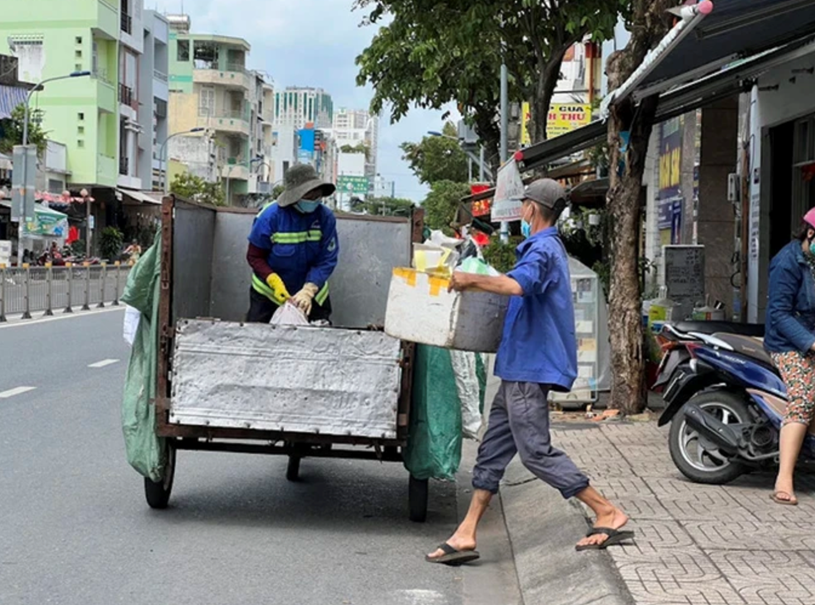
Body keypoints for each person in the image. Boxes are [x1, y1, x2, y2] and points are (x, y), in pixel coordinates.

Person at [426, 179, 632, 565]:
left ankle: (606, 511)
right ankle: (467, 532)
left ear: (532, 209)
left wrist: (470, 279)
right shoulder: (542, 248)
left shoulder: (542, 249)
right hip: (519, 367)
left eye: (523, 205)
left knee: (535, 451)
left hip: (530, 368)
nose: (521, 211)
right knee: (491, 454)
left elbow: (519, 286)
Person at [764, 208, 815, 506]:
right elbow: (779, 314)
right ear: (810, 233)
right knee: (805, 397)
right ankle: (784, 477)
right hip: (787, 343)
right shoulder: (787, 262)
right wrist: (810, 344)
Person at [246, 164, 338, 323]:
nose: (314, 199)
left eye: (317, 194)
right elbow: (254, 256)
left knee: (319, 341)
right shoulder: (269, 217)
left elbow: (327, 259)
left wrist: (309, 290)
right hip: (269, 294)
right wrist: (273, 280)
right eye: (309, 196)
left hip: (311, 294)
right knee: (259, 338)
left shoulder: (325, 217)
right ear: (295, 196)